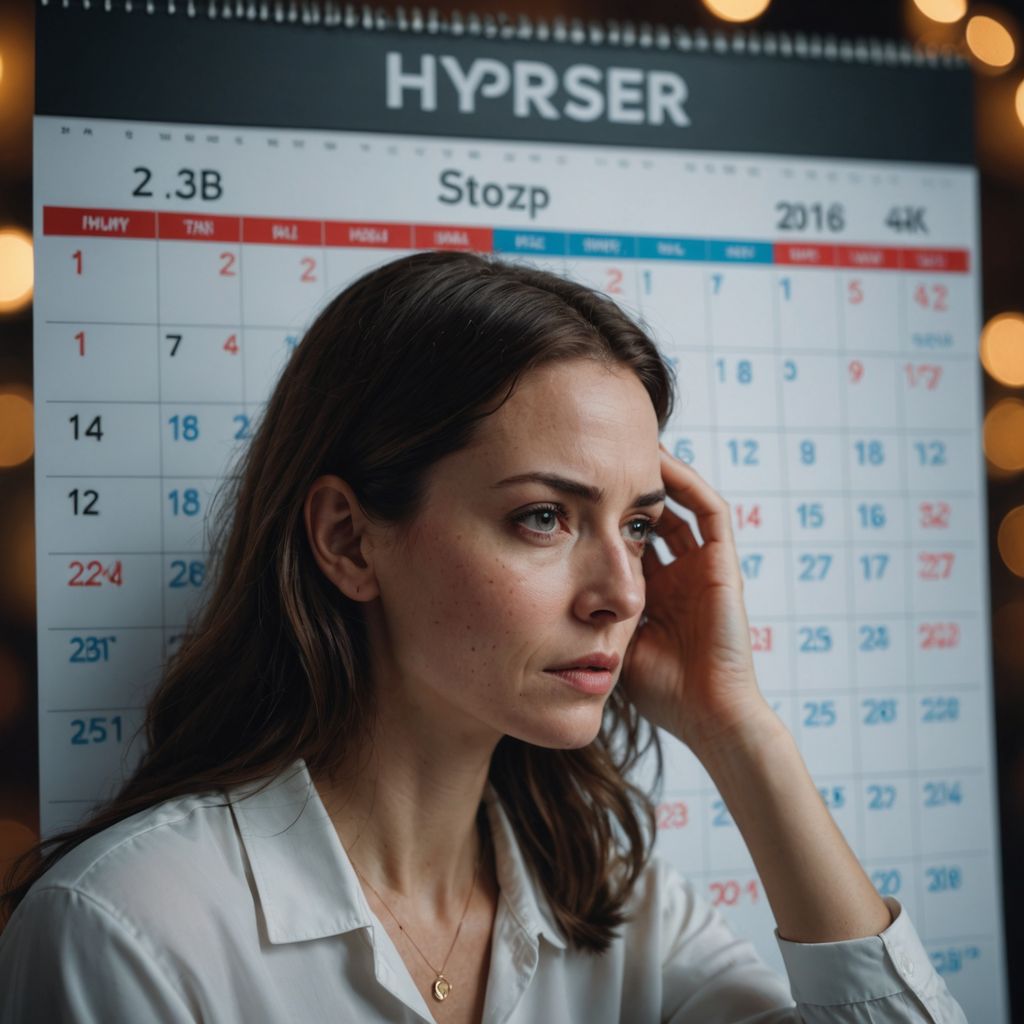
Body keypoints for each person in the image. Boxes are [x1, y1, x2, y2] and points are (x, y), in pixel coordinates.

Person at [0, 251, 966, 1023]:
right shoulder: (128, 927)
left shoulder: (621, 910)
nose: (623, 593)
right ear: (348, 540)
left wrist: (739, 726)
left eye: (637, 523)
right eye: (545, 517)